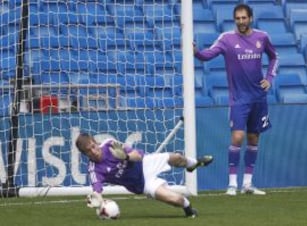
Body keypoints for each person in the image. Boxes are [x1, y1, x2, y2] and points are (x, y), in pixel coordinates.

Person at [194, 3, 278, 196]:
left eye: (244, 18)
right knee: (237, 137)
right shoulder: (227, 39)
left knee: (253, 138)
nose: (241, 21)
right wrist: (197, 52)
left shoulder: (262, 37)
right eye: (237, 18)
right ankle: (232, 183)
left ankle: (247, 183)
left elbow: (274, 57)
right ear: (235, 20)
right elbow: (208, 55)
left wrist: (269, 78)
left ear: (250, 18)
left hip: (259, 96)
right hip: (239, 98)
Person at [75, 133, 213, 218]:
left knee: (176, 157)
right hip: (142, 184)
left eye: (93, 146)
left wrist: (126, 156)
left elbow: (138, 156)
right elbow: (97, 190)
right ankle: (188, 209)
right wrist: (97, 200)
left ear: (96, 142)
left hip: (145, 164)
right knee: (177, 200)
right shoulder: (94, 170)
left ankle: (193, 163)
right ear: (84, 154)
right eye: (88, 151)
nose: (93, 151)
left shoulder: (110, 144)